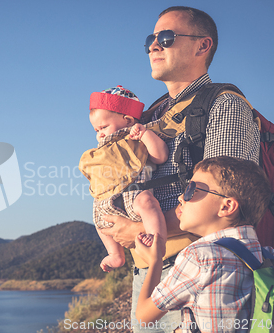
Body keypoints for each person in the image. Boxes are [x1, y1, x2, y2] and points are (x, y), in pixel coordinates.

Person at [98, 6, 260, 333]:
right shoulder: (153, 114)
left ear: (203, 46)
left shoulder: (225, 106)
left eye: (167, 38)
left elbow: (229, 201)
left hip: (201, 277)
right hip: (148, 271)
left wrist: (138, 231)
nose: (154, 46)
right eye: (151, 40)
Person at [134, 156, 273, 333]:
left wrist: (155, 262)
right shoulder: (266, 256)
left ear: (227, 206)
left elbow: (144, 317)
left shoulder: (198, 257)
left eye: (191, 190)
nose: (181, 197)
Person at [79, 86, 169, 272]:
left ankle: (157, 241)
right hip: (106, 201)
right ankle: (116, 254)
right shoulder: (102, 151)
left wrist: (145, 135)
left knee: (148, 202)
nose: (100, 134)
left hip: (134, 196)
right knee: (100, 222)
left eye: (103, 127)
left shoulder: (136, 137)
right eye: (96, 130)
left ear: (127, 120)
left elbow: (160, 157)